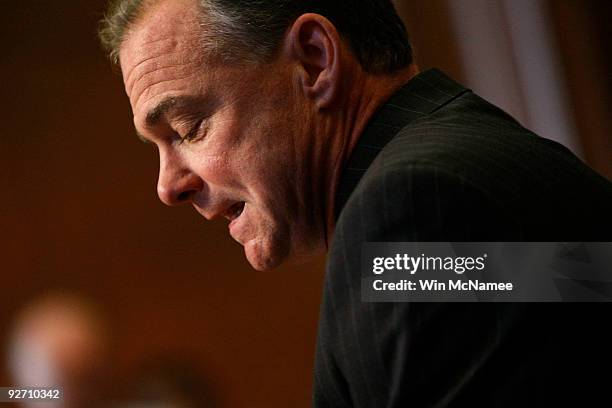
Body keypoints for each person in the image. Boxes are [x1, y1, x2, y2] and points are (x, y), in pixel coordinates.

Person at [98, 0, 612, 406]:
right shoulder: (462, 163)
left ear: (316, 60)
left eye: (189, 127)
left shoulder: (415, 207)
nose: (167, 186)